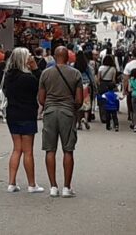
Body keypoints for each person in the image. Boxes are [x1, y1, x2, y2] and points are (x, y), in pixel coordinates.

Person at [38, 46, 83, 198]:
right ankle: (66, 187)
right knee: (68, 150)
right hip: (68, 113)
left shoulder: (45, 73)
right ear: (68, 57)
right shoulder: (75, 74)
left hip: (50, 112)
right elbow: (79, 100)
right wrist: (71, 106)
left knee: (50, 150)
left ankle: (53, 187)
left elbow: (41, 99)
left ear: (54, 57)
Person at [2, 48, 45, 194]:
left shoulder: (8, 77)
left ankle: (11, 182)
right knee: (28, 151)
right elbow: (41, 84)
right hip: (27, 114)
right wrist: (35, 68)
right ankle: (32, 184)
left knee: (16, 149)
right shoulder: (29, 78)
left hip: (12, 113)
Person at [74, 51, 94, 131]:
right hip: (86, 85)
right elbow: (91, 76)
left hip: (77, 85)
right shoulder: (87, 66)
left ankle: (79, 124)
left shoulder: (74, 66)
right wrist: (94, 86)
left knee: (78, 104)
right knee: (86, 103)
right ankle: (85, 119)